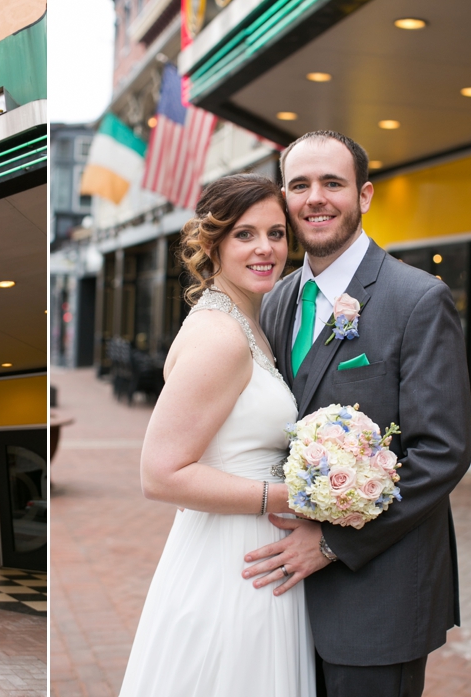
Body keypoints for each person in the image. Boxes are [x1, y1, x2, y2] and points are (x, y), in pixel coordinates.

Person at [245, 130, 471, 697]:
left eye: (332, 183)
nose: (315, 197)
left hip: (378, 595)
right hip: (281, 600)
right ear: (285, 198)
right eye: (300, 185)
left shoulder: (417, 299)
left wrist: (329, 543)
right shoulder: (275, 299)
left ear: (364, 195)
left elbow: (442, 451)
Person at [119, 174, 315, 696]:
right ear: (214, 243)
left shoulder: (249, 324)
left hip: (253, 544)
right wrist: (292, 495)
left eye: (276, 233)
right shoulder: (221, 337)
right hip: (236, 556)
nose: (265, 248)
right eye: (245, 235)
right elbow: (159, 475)